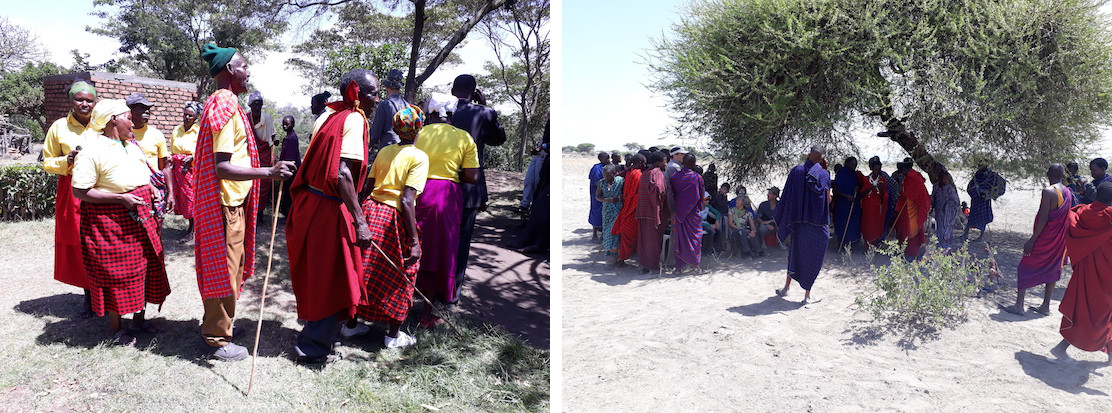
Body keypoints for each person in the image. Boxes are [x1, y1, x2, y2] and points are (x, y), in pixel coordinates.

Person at [193, 43, 297, 361]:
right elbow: (221, 166)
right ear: (229, 71)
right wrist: (269, 170)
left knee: (231, 270)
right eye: (243, 65)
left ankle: (222, 324)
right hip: (224, 205)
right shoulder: (224, 104)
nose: (248, 71)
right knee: (223, 272)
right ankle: (217, 339)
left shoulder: (231, 104)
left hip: (233, 203)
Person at [286, 69, 378, 363]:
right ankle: (312, 346)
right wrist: (360, 221)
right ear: (357, 93)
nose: (377, 99)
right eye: (373, 93)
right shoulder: (353, 119)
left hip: (311, 203)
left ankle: (320, 335)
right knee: (333, 276)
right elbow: (342, 174)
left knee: (324, 273)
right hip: (327, 207)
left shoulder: (327, 115)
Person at [71, 99, 170, 346]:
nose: (133, 122)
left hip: (141, 216)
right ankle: (115, 329)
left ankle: (138, 321)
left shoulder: (132, 146)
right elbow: (80, 191)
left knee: (146, 266)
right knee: (116, 274)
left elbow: (139, 174)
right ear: (114, 119)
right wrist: (120, 198)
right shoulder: (93, 150)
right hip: (110, 221)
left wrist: (149, 187)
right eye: (128, 116)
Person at [356, 104, 429, 349]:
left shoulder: (385, 151)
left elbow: (368, 186)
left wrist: (360, 216)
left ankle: (350, 323)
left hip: (370, 210)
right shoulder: (419, 157)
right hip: (393, 218)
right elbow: (408, 199)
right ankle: (393, 335)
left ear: (397, 128)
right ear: (419, 128)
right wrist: (415, 242)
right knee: (403, 272)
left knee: (362, 268)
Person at [413, 93, 479, 317]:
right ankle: (427, 312)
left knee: (412, 244)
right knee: (441, 249)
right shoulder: (464, 138)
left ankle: (401, 305)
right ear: (452, 114)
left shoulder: (417, 133)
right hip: (446, 198)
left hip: (415, 192)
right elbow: (472, 176)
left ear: (430, 112)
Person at [42, 80, 95, 316]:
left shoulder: (102, 123)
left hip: (100, 187)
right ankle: (89, 296)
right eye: (79, 99)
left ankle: (105, 293)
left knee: (101, 239)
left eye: (89, 100)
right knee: (79, 242)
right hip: (72, 189)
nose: (84, 103)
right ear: (71, 101)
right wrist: (68, 160)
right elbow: (47, 162)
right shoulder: (59, 127)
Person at [450, 74, 506, 297]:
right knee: (462, 241)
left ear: (453, 91)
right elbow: (497, 139)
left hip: (438, 184)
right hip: (470, 186)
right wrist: (484, 106)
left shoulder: (442, 111)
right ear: (473, 92)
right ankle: (453, 291)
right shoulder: (485, 113)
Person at [1049, 181, 1112, 365]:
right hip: (1107, 275)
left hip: (1086, 271)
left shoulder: (1083, 212)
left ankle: (1109, 354)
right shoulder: (1108, 216)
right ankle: (1061, 347)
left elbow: (1071, 221)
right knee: (1103, 312)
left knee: (1082, 308)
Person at [1004, 164, 1074, 316]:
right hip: (1059, 240)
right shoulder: (1068, 191)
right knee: (1053, 269)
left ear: (1048, 174)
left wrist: (1032, 240)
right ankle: (1045, 306)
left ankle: (1019, 306)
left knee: (1024, 267)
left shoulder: (1048, 191)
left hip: (1045, 239)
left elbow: (1043, 218)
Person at [774, 146, 830, 303]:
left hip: (797, 222)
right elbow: (827, 200)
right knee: (812, 257)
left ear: (808, 155)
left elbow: (786, 195)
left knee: (795, 254)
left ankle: (786, 288)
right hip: (816, 224)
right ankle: (807, 296)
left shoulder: (796, 171)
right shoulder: (824, 175)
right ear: (820, 160)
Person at [127, 93, 174, 219]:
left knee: (155, 225)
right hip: (132, 188)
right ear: (130, 111)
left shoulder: (156, 135)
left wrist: (171, 193)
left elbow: (165, 167)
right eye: (141, 108)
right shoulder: (123, 135)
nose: (147, 111)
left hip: (155, 191)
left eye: (148, 108)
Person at [170, 102, 201, 239]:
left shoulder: (199, 132)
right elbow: (172, 149)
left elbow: (203, 150)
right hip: (178, 169)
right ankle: (190, 227)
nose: (187, 117)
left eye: (190, 115)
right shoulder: (176, 130)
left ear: (195, 118)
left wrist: (192, 157)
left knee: (191, 198)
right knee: (182, 198)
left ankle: (193, 229)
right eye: (185, 114)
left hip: (191, 169)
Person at [636, 151, 670, 272]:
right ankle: (652, 266)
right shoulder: (658, 173)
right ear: (658, 162)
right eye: (665, 162)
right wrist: (662, 201)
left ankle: (643, 265)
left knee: (644, 240)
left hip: (642, 211)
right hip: (654, 213)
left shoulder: (645, 173)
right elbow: (659, 189)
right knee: (654, 241)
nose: (666, 164)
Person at [671, 154, 705, 272]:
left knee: (680, 240)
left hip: (680, 214)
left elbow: (673, 194)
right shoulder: (697, 177)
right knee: (695, 239)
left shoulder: (675, 177)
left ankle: (679, 268)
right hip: (693, 214)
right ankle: (696, 266)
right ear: (694, 164)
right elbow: (701, 196)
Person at [247, 91, 276, 216]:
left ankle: (260, 212)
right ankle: (250, 210)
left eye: (260, 105)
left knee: (264, 183)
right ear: (250, 105)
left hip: (264, 154)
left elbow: (271, 137)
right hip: (250, 154)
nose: (257, 107)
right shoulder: (246, 118)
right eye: (255, 104)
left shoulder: (267, 119)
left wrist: (275, 140)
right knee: (250, 182)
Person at [612, 154, 645, 265]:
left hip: (627, 207)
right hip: (633, 209)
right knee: (630, 236)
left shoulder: (629, 173)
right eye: (644, 163)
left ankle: (623, 257)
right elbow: (638, 194)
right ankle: (622, 258)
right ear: (640, 163)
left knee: (627, 236)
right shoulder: (639, 175)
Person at [895, 159, 931, 258]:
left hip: (913, 210)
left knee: (911, 231)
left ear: (906, 169)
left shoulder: (913, 178)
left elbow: (911, 194)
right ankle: (906, 251)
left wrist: (903, 195)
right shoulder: (911, 176)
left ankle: (912, 253)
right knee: (905, 229)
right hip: (908, 207)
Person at [367, 68, 409, 153]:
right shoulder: (408, 106)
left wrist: (368, 145)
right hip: (404, 151)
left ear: (386, 87)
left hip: (387, 150)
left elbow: (375, 134)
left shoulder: (385, 105)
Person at [964, 160, 1006, 241]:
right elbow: (972, 185)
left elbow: (1001, 183)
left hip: (984, 200)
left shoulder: (991, 175)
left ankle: (981, 236)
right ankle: (965, 234)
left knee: (983, 217)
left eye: (981, 165)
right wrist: (976, 191)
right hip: (976, 199)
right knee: (972, 216)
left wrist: (991, 193)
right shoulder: (978, 174)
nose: (979, 166)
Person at [832, 156, 863, 247]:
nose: (854, 166)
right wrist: (847, 196)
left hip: (853, 203)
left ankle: (851, 243)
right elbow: (837, 189)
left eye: (855, 165)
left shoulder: (854, 174)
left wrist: (857, 188)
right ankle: (841, 243)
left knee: (853, 223)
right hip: (843, 203)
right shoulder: (842, 172)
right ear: (848, 163)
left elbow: (857, 185)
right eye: (853, 164)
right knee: (842, 223)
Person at [596, 165, 624, 264]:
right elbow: (597, 197)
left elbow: (625, 194)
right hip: (607, 210)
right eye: (605, 175)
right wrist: (607, 200)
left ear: (614, 174)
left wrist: (619, 199)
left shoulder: (620, 181)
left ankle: (616, 254)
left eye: (608, 175)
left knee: (615, 231)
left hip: (618, 209)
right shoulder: (601, 183)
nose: (606, 178)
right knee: (607, 231)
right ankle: (610, 253)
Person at [860, 157, 889, 246]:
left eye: (878, 169)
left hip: (877, 209)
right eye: (875, 169)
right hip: (867, 208)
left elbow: (884, 197)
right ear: (871, 168)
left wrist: (881, 190)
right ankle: (867, 245)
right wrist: (870, 189)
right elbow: (861, 194)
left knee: (875, 226)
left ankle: (874, 245)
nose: (876, 171)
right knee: (867, 226)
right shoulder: (866, 179)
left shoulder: (882, 180)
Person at [276, 115, 302, 215]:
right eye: (283, 124)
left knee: (289, 194)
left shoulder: (292, 138)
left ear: (293, 124)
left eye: (287, 124)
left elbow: (290, 158)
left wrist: (286, 170)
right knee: (286, 194)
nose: (285, 126)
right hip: (287, 170)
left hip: (291, 171)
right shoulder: (287, 137)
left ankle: (290, 215)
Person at [932, 170, 961, 250]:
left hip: (947, 212)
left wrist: (947, 205)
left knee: (947, 227)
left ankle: (946, 245)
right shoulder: (935, 186)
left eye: (946, 179)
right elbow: (933, 197)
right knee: (940, 227)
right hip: (938, 211)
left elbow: (956, 201)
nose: (945, 180)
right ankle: (940, 243)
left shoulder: (949, 189)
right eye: (943, 178)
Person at [588, 152, 608, 240]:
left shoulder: (604, 167)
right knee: (597, 212)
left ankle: (602, 234)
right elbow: (597, 181)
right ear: (601, 159)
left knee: (603, 213)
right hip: (597, 193)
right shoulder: (597, 168)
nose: (608, 160)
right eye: (607, 158)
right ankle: (595, 234)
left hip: (602, 193)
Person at [521, 144, 546, 210]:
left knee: (537, 183)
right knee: (528, 181)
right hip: (536, 155)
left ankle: (535, 207)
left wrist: (544, 146)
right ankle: (524, 205)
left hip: (544, 156)